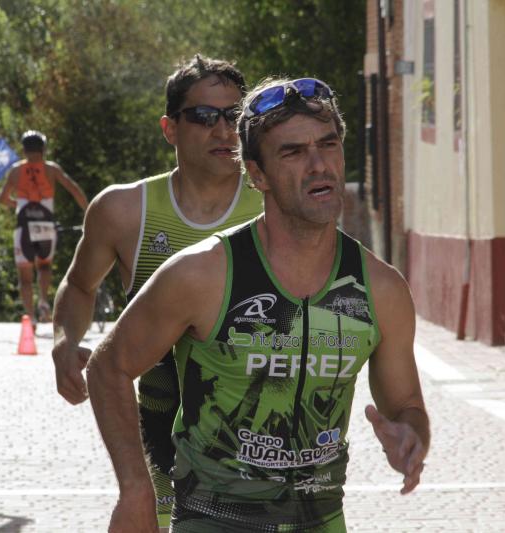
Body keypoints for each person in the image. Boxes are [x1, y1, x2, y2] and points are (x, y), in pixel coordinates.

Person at [86, 77, 430, 532]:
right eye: (292, 152)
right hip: (212, 520)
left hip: (322, 521)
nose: (318, 165)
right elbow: (107, 367)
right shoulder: (202, 274)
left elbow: (405, 402)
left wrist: (412, 435)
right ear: (258, 175)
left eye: (328, 145)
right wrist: (135, 490)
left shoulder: (380, 289)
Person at [52, 55, 263, 528]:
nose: (223, 130)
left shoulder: (274, 207)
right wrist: (65, 339)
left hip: (261, 445)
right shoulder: (124, 211)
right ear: (170, 129)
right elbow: (80, 284)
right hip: (160, 444)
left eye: (234, 116)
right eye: (205, 117)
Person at [0, 130, 88, 326]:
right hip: (45, 224)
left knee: (24, 275)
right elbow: (73, 188)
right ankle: (44, 301)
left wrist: (20, 204)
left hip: (24, 225)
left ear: (24, 149)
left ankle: (30, 317)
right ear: (43, 148)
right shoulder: (51, 169)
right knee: (45, 266)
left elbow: (2, 198)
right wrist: (89, 212)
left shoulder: (15, 170)